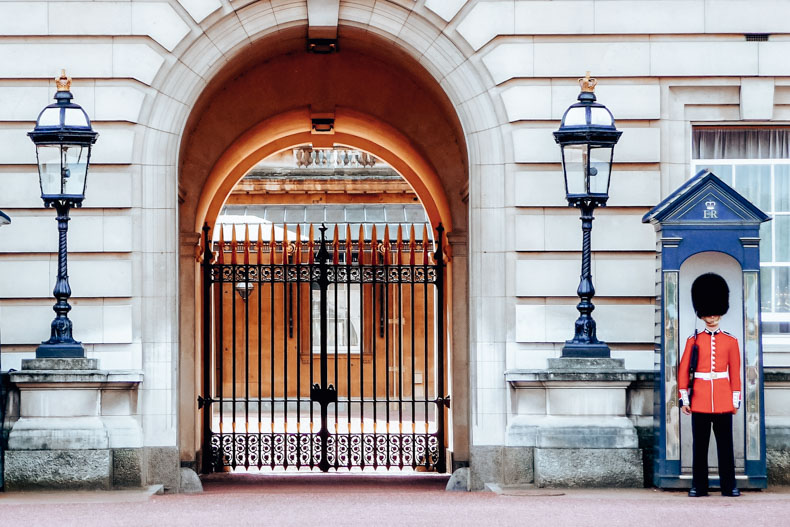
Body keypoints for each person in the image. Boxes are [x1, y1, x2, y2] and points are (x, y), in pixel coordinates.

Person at [678, 272, 741, 497]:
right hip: (700, 400)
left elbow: (735, 373)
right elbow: (683, 370)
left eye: (715, 313)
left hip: (723, 400)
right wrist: (684, 399)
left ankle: (729, 485)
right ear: (701, 313)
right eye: (707, 313)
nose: (712, 317)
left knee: (726, 447)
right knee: (700, 447)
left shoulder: (731, 341)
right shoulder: (693, 340)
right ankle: (699, 486)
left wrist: (735, 400)